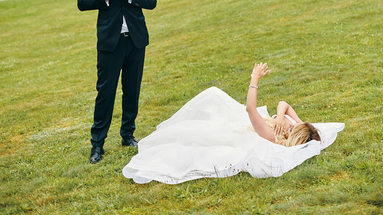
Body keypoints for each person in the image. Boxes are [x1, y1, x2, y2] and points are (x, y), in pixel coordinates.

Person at [122, 62, 342, 184]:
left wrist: (254, 80)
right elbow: (284, 103)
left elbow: (250, 110)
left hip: (238, 128)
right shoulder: (288, 128)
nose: (293, 124)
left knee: (208, 107)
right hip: (251, 124)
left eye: (296, 127)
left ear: (293, 137)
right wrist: (287, 118)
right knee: (212, 99)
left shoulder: (270, 136)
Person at [77, 0, 157, 164]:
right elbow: (82, 2)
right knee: (106, 93)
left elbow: (152, 1)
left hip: (135, 41)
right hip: (110, 43)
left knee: (132, 90)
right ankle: (97, 144)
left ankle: (128, 135)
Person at [246, 62, 321, 145]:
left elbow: (250, 109)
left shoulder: (272, 136)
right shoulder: (296, 126)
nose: (291, 125)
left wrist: (254, 78)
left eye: (291, 130)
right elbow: (284, 104)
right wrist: (280, 117)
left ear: (292, 139)